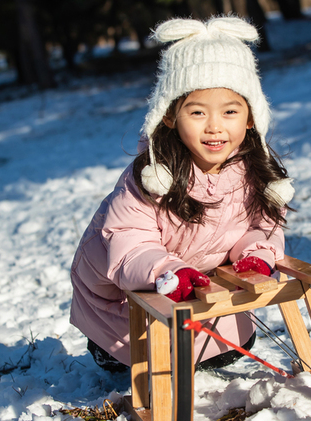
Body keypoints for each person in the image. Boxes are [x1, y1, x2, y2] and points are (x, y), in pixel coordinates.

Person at [69, 16, 294, 373]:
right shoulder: (151, 177)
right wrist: (165, 270)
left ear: (250, 117)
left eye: (230, 111)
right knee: (131, 356)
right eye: (197, 112)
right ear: (171, 117)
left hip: (194, 281)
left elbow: (264, 225)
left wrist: (256, 253)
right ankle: (107, 351)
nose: (215, 126)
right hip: (123, 296)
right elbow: (128, 241)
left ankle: (193, 347)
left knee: (235, 345)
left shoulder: (252, 171)